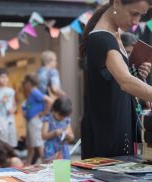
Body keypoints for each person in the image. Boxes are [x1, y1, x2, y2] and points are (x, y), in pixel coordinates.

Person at [80, 0, 152, 159]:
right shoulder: (101, 38)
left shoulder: (114, 35)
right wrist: (132, 80)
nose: (136, 21)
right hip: (106, 133)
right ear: (117, 3)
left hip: (116, 126)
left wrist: (137, 75)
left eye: (141, 15)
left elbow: (117, 81)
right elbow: (125, 82)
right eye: (134, 13)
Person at [22, 74, 53, 165]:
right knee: (31, 145)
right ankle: (28, 164)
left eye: (25, 83)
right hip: (31, 121)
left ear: (29, 83)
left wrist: (43, 113)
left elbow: (49, 100)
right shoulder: (32, 93)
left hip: (35, 121)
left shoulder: (35, 91)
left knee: (38, 143)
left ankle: (46, 163)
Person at [42, 97, 75, 162]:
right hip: (51, 148)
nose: (62, 118)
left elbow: (71, 136)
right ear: (54, 110)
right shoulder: (48, 119)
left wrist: (69, 136)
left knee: (64, 167)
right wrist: (54, 133)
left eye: (64, 116)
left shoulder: (66, 120)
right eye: (60, 115)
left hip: (63, 149)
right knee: (51, 167)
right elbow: (43, 135)